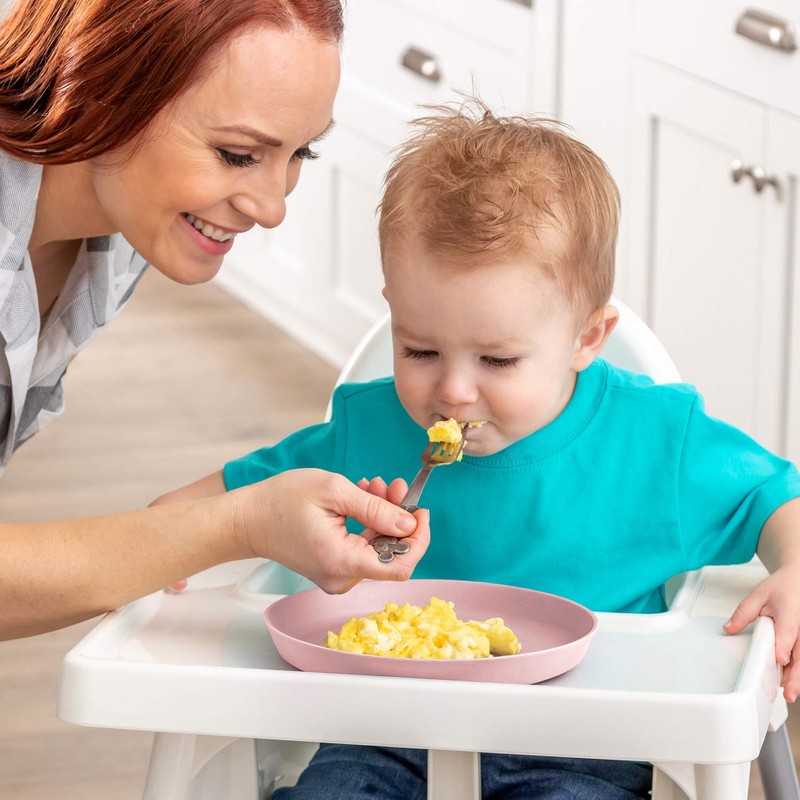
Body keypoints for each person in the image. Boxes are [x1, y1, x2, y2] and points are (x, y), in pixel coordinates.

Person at [152, 98, 800, 799]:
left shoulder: (654, 440)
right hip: (384, 733)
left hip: (587, 744)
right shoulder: (365, 429)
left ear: (586, 338)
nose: (453, 393)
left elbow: (772, 494)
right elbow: (242, 498)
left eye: (497, 361)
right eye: (420, 349)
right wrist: (164, 535)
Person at [0, 0, 430, 642]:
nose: (272, 207)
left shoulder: (120, 233)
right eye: (236, 154)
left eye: (300, 154)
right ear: (99, 88)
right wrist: (240, 525)